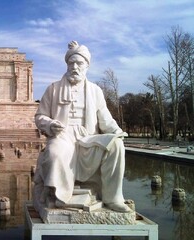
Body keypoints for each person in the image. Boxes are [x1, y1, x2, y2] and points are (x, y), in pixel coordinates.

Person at [34, 41, 131, 212]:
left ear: (86, 66)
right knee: (55, 152)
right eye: (71, 63)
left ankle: (113, 198)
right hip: (62, 136)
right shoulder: (53, 89)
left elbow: (105, 119)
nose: (75, 67)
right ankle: (60, 197)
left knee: (116, 145)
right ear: (67, 65)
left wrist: (116, 132)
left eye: (79, 63)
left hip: (87, 137)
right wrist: (50, 124)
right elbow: (40, 116)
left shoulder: (95, 90)